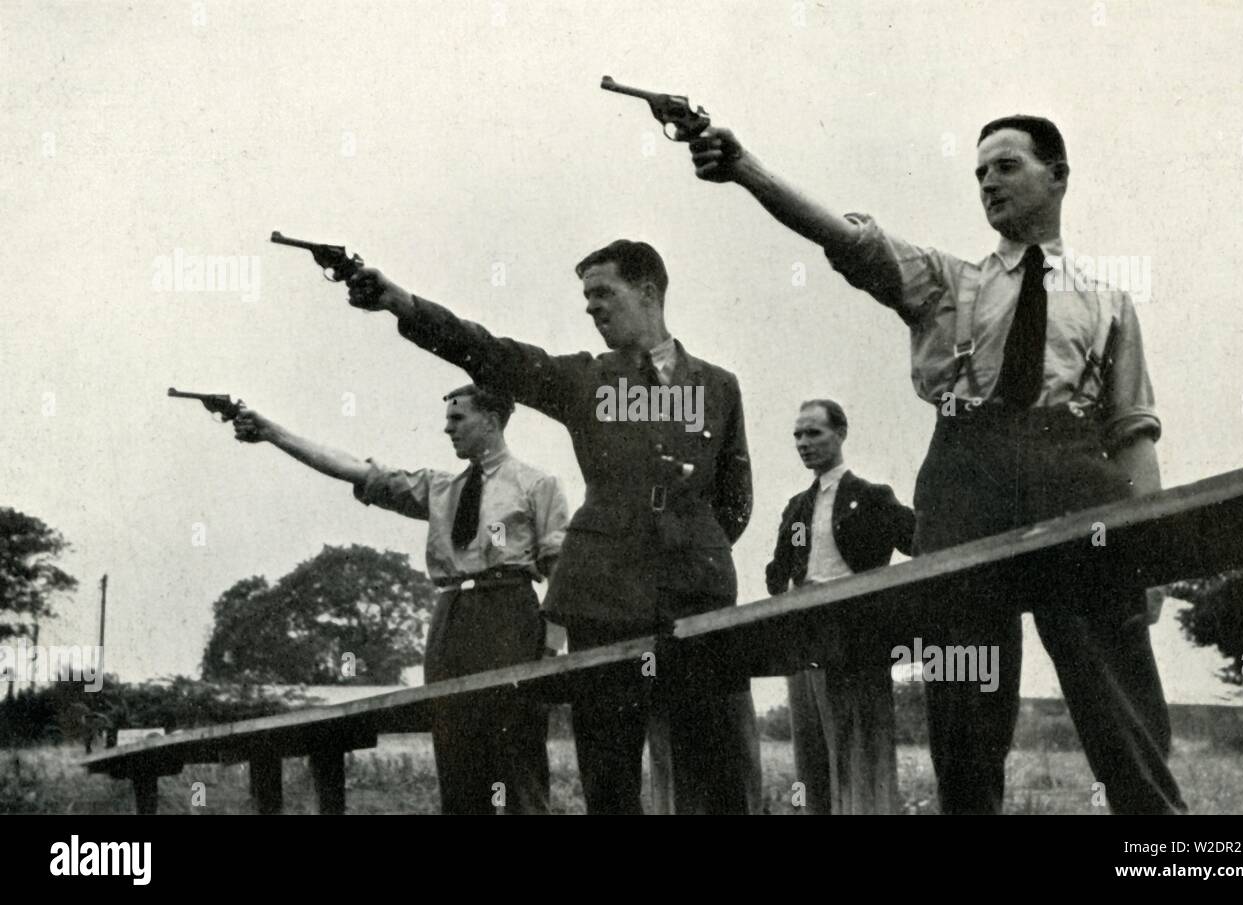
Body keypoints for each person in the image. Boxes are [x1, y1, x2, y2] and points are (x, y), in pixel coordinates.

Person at [687, 115, 1186, 814]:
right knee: (964, 705)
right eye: (979, 171)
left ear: (1058, 175)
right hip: (965, 480)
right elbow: (848, 239)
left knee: (1120, 702)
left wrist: (1148, 551)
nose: (987, 181)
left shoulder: (1109, 301)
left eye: (1006, 166)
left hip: (1079, 482)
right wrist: (745, 168)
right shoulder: (949, 283)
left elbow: (1133, 433)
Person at [344, 239, 762, 815]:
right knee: (611, 778)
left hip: (699, 598)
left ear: (648, 291)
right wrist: (403, 305)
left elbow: (735, 499)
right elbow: (490, 353)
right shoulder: (583, 380)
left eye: (603, 293)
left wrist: (695, 550)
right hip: (605, 603)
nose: (591, 308)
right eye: (586, 297)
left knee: (714, 770)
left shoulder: (718, 386)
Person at [231, 383, 567, 815]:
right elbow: (355, 470)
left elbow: (561, 570)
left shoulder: (538, 484)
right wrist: (273, 433)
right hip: (449, 621)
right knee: (457, 757)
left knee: (516, 754)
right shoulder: (440, 489)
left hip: (509, 617)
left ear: (492, 420)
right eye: (447, 419)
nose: (447, 428)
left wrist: (552, 647)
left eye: (457, 418)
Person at [766, 398, 914, 815]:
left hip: (858, 638)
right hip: (804, 643)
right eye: (797, 434)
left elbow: (920, 539)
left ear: (840, 433)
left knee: (861, 755)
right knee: (812, 763)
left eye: (814, 432)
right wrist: (791, 590)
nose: (803, 442)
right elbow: (777, 572)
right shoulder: (797, 508)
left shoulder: (870, 497)